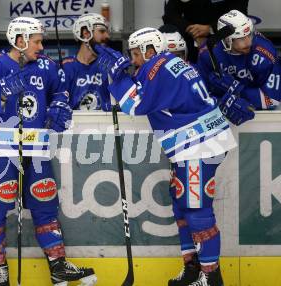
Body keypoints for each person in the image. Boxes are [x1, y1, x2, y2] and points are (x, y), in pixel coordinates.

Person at [94, 27, 244, 286]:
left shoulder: (157, 65)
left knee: (196, 210)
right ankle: (193, 267)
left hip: (199, 145)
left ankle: (211, 277)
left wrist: (116, 79)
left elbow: (136, 105)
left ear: (149, 50)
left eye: (135, 54)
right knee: (181, 202)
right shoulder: (168, 63)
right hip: (197, 142)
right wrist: (118, 81)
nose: (133, 60)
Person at [0, 16, 97, 286]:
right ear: (20, 40)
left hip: (37, 147)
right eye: (37, 41)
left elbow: (60, 93)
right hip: (0, 150)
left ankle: (58, 265)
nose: (41, 46)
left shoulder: (47, 66)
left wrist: (59, 108)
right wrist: (3, 93)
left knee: (45, 206)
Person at [197, 10, 281, 110]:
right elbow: (200, 98)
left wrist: (234, 88)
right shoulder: (208, 54)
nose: (248, 43)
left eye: (249, 35)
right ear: (227, 39)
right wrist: (223, 104)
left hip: (260, 114)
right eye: (241, 38)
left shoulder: (265, 51)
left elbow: (272, 101)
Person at [163, 0, 248, 63]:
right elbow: (170, 15)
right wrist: (193, 31)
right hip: (191, 36)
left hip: (223, 34)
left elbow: (240, 13)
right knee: (167, 30)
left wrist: (210, 29)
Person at [63, 13, 112, 111]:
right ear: (86, 33)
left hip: (105, 124)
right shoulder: (65, 67)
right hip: (74, 124)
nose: (107, 36)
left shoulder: (110, 65)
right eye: (102, 31)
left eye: (107, 32)